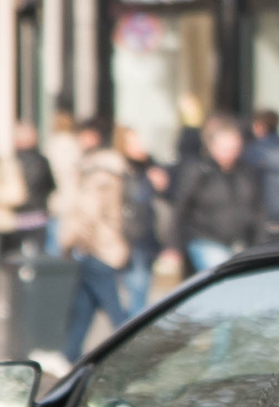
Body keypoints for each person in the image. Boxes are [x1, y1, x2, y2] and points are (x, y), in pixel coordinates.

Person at [61, 119, 133, 361]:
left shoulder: (97, 172)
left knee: (115, 312)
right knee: (83, 307)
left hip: (99, 247)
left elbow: (87, 213)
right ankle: (69, 355)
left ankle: (133, 356)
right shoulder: (113, 167)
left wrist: (68, 241)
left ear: (90, 137)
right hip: (103, 245)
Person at [172, 113, 263, 272]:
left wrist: (260, 241)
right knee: (222, 275)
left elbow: (258, 209)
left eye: (235, 148)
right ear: (212, 147)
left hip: (241, 243)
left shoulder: (246, 172)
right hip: (206, 240)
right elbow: (180, 209)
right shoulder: (199, 172)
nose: (230, 153)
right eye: (225, 148)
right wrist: (173, 246)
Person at [117, 125, 169, 313]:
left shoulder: (151, 167)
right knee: (137, 288)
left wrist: (162, 186)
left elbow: (164, 201)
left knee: (141, 288)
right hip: (130, 237)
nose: (140, 146)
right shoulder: (120, 170)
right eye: (133, 143)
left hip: (149, 235)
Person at [11, 120, 57, 254]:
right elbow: (51, 186)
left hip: (16, 217)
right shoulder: (41, 160)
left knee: (14, 256)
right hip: (37, 214)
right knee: (38, 254)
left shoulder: (10, 160)